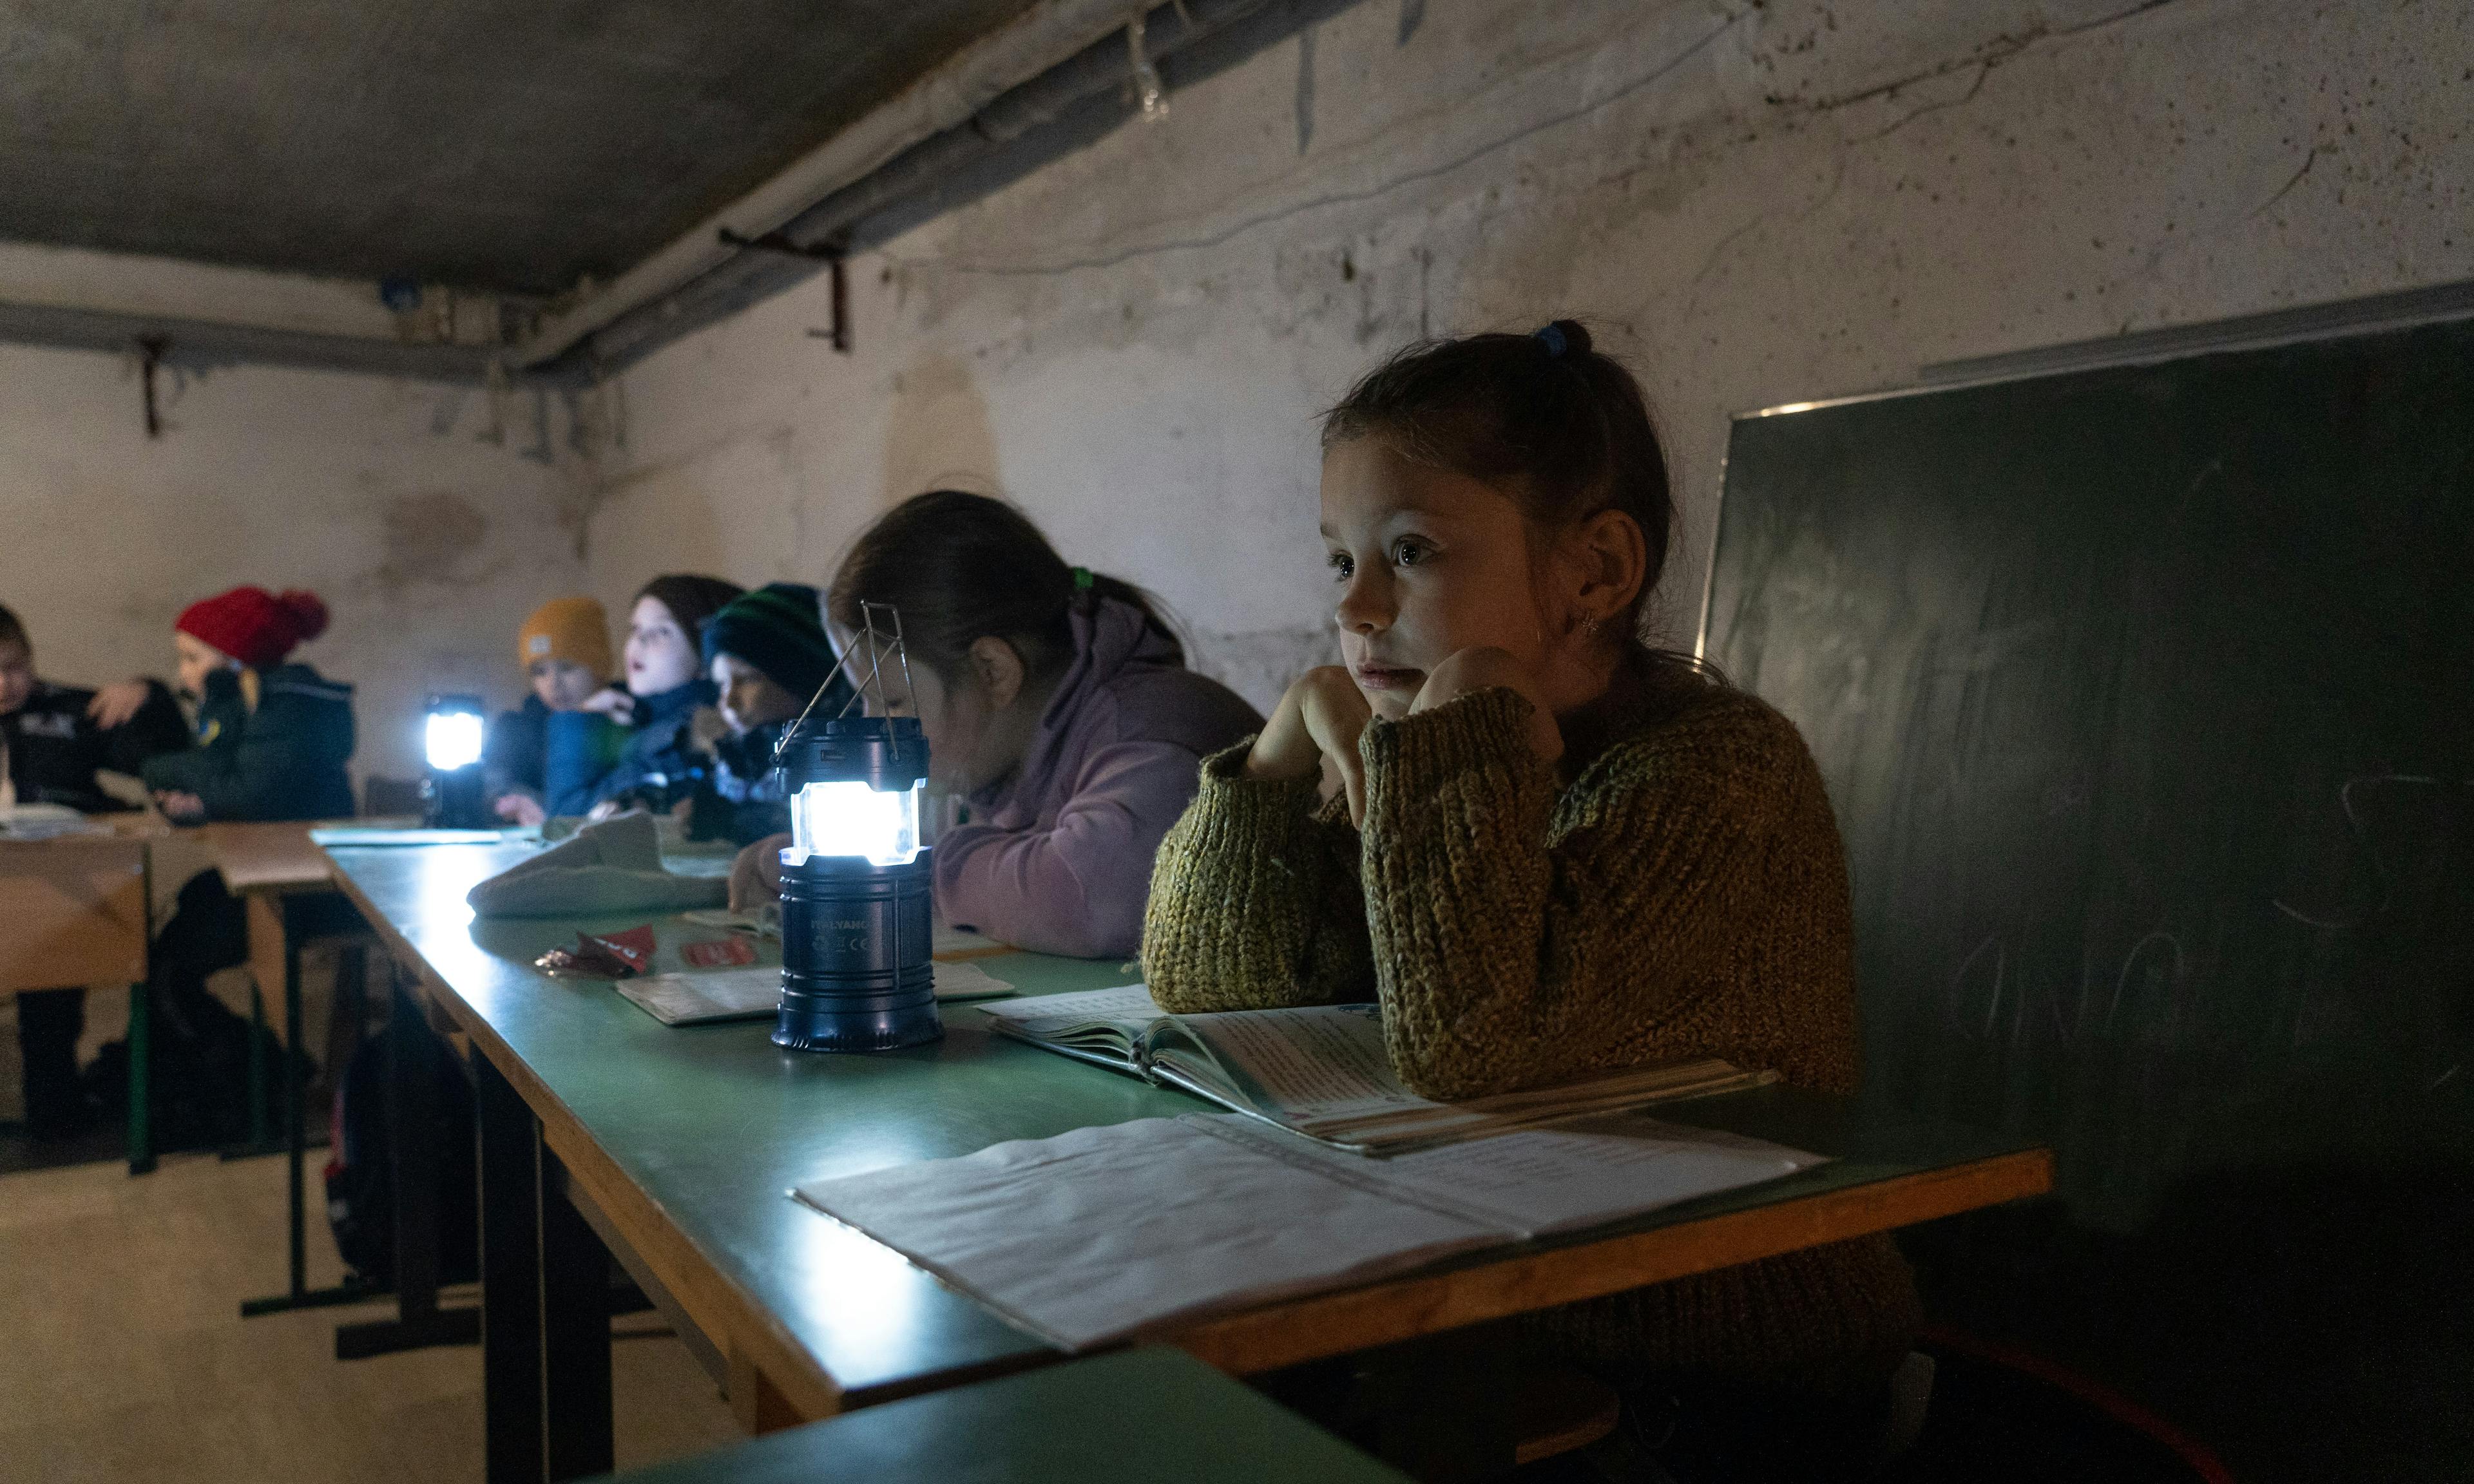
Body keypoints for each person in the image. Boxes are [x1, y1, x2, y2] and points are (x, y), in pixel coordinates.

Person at [1138, 323, 1919, 1480]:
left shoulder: (1717, 771)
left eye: (1409, 551)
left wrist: (1463, 740)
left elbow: (1475, 1041)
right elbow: (1206, 978)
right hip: (1474, 1293)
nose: (1356, 608)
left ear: (1597, 572)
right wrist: (1270, 769)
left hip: (1713, 1362)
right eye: (1338, 559)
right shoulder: (1422, 757)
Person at [730, 491, 1260, 959]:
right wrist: (810, 865)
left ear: (993, 671)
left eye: (891, 701)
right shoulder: (988, 757)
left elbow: (1092, 898)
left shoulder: (1146, 728)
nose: (876, 728)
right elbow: (947, 848)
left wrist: (894, 877)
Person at [0, 604, 189, 1137]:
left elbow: (170, 759)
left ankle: (56, 1118)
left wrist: (150, 695)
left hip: (59, 884)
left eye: (14, 666)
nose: (4, 683)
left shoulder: (68, 711)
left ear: (32, 658)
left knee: (51, 1002)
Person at [691, 582, 850, 846]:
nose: (729, 701)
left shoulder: (831, 753)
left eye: (748, 679)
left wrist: (731, 821)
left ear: (802, 679)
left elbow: (811, 827)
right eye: (721, 684)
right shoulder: (731, 751)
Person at [578, 575, 743, 818]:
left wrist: (576, 717)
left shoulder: (684, 733)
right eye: (635, 629)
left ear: (705, 652)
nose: (639, 641)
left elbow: (572, 815)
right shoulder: (637, 717)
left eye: (662, 631)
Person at [484, 596, 617, 825]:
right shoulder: (515, 732)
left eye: (567, 668)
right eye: (540, 672)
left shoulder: (629, 723)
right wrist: (506, 800)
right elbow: (493, 786)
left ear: (599, 668)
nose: (553, 683)